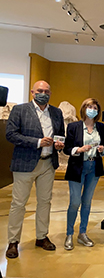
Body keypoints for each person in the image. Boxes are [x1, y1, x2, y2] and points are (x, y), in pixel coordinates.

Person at [5, 80, 65, 258]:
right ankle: (13, 241)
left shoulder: (56, 112)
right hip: (25, 163)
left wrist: (60, 144)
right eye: (40, 90)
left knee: (45, 201)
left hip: (48, 163)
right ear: (32, 92)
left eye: (47, 91)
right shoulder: (20, 110)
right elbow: (11, 134)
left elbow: (60, 133)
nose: (43, 93)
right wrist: (37, 142)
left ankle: (41, 236)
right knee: (19, 203)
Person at [63, 98, 104, 250]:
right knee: (75, 202)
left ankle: (82, 233)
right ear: (84, 109)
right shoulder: (73, 126)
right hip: (77, 167)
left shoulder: (100, 127)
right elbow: (66, 148)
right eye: (89, 106)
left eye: (95, 107)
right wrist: (79, 150)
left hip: (94, 167)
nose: (92, 109)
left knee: (87, 202)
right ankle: (69, 234)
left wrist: (102, 150)